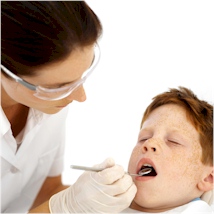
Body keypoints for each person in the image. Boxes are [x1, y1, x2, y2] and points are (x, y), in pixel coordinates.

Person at [1, 1, 137, 213]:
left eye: (80, 77)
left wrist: (117, 200)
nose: (80, 96)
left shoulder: (48, 104)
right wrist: (66, 207)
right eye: (59, 87)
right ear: (7, 73)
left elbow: (45, 192)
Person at [121, 86, 213, 213]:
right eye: (144, 138)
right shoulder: (100, 203)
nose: (149, 143)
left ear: (208, 177)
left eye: (173, 141)